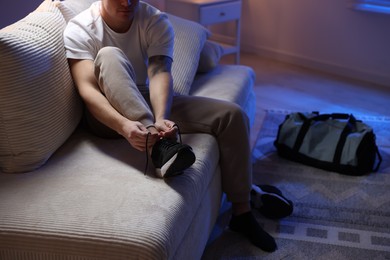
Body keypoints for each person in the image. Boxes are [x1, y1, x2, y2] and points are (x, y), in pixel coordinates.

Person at [64, 0, 292, 252]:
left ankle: (242, 211)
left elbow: (160, 72)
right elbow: (88, 91)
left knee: (231, 115)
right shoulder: (82, 27)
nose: (127, 2)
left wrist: (161, 117)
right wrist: (124, 125)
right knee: (109, 54)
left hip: (144, 98)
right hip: (106, 114)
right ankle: (161, 145)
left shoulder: (155, 20)